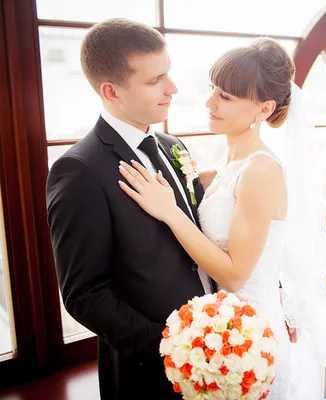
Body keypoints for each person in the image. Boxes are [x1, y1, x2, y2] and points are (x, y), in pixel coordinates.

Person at [118, 37, 326, 399]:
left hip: (249, 340)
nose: (209, 103)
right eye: (212, 89)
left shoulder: (261, 170)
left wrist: (170, 213)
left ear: (263, 109)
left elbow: (234, 274)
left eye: (226, 97)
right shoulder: (227, 166)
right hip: (223, 329)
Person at [45, 18, 215, 399]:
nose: (173, 88)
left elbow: (204, 239)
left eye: (168, 74)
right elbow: (84, 294)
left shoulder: (175, 147)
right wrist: (172, 348)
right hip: (150, 374)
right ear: (111, 91)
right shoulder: (79, 170)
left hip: (219, 353)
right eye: (155, 80)